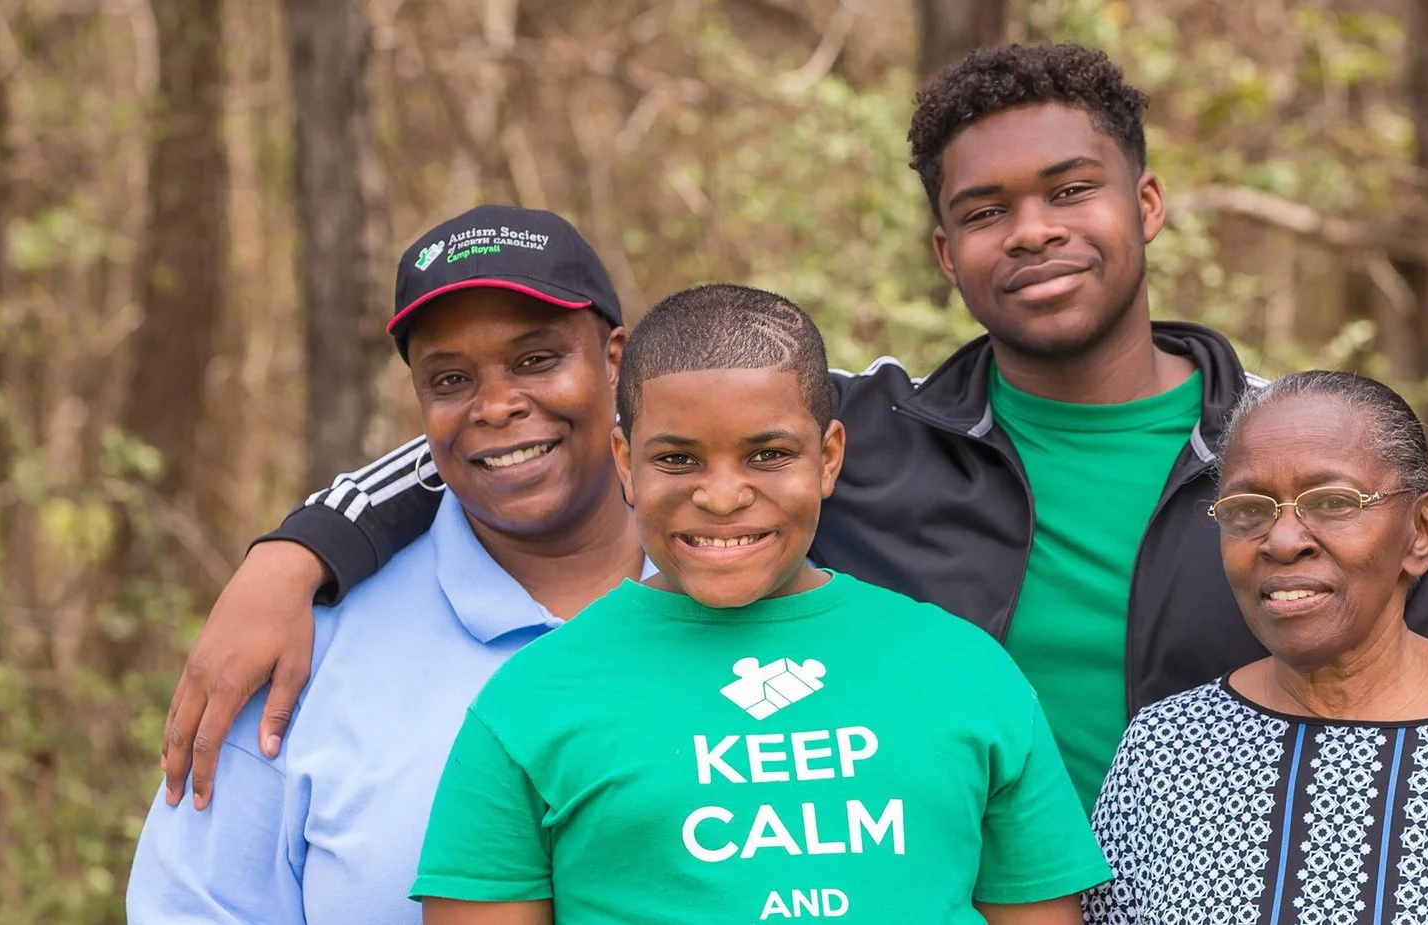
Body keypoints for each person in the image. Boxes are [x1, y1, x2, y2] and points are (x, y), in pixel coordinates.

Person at [157, 43, 1428, 816]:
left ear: (1143, 206)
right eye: (983, 211)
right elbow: (568, 421)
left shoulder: (1286, 465)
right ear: (944, 252)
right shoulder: (857, 435)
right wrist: (298, 547)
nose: (1035, 234)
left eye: (1072, 190)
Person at [413, 284, 1110, 924]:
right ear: (626, 462)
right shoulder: (533, 699)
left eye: (768, 454)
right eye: (678, 459)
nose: (721, 496)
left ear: (829, 457)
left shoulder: (965, 670)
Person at [126, 205, 652, 923]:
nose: (495, 406)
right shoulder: (296, 652)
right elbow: (193, 906)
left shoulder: (744, 599)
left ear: (615, 361)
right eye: (449, 379)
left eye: (536, 360)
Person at [1082, 371, 1428, 924]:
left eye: (1334, 502)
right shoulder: (1166, 752)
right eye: (1248, 510)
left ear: (1422, 531)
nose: (1282, 541)